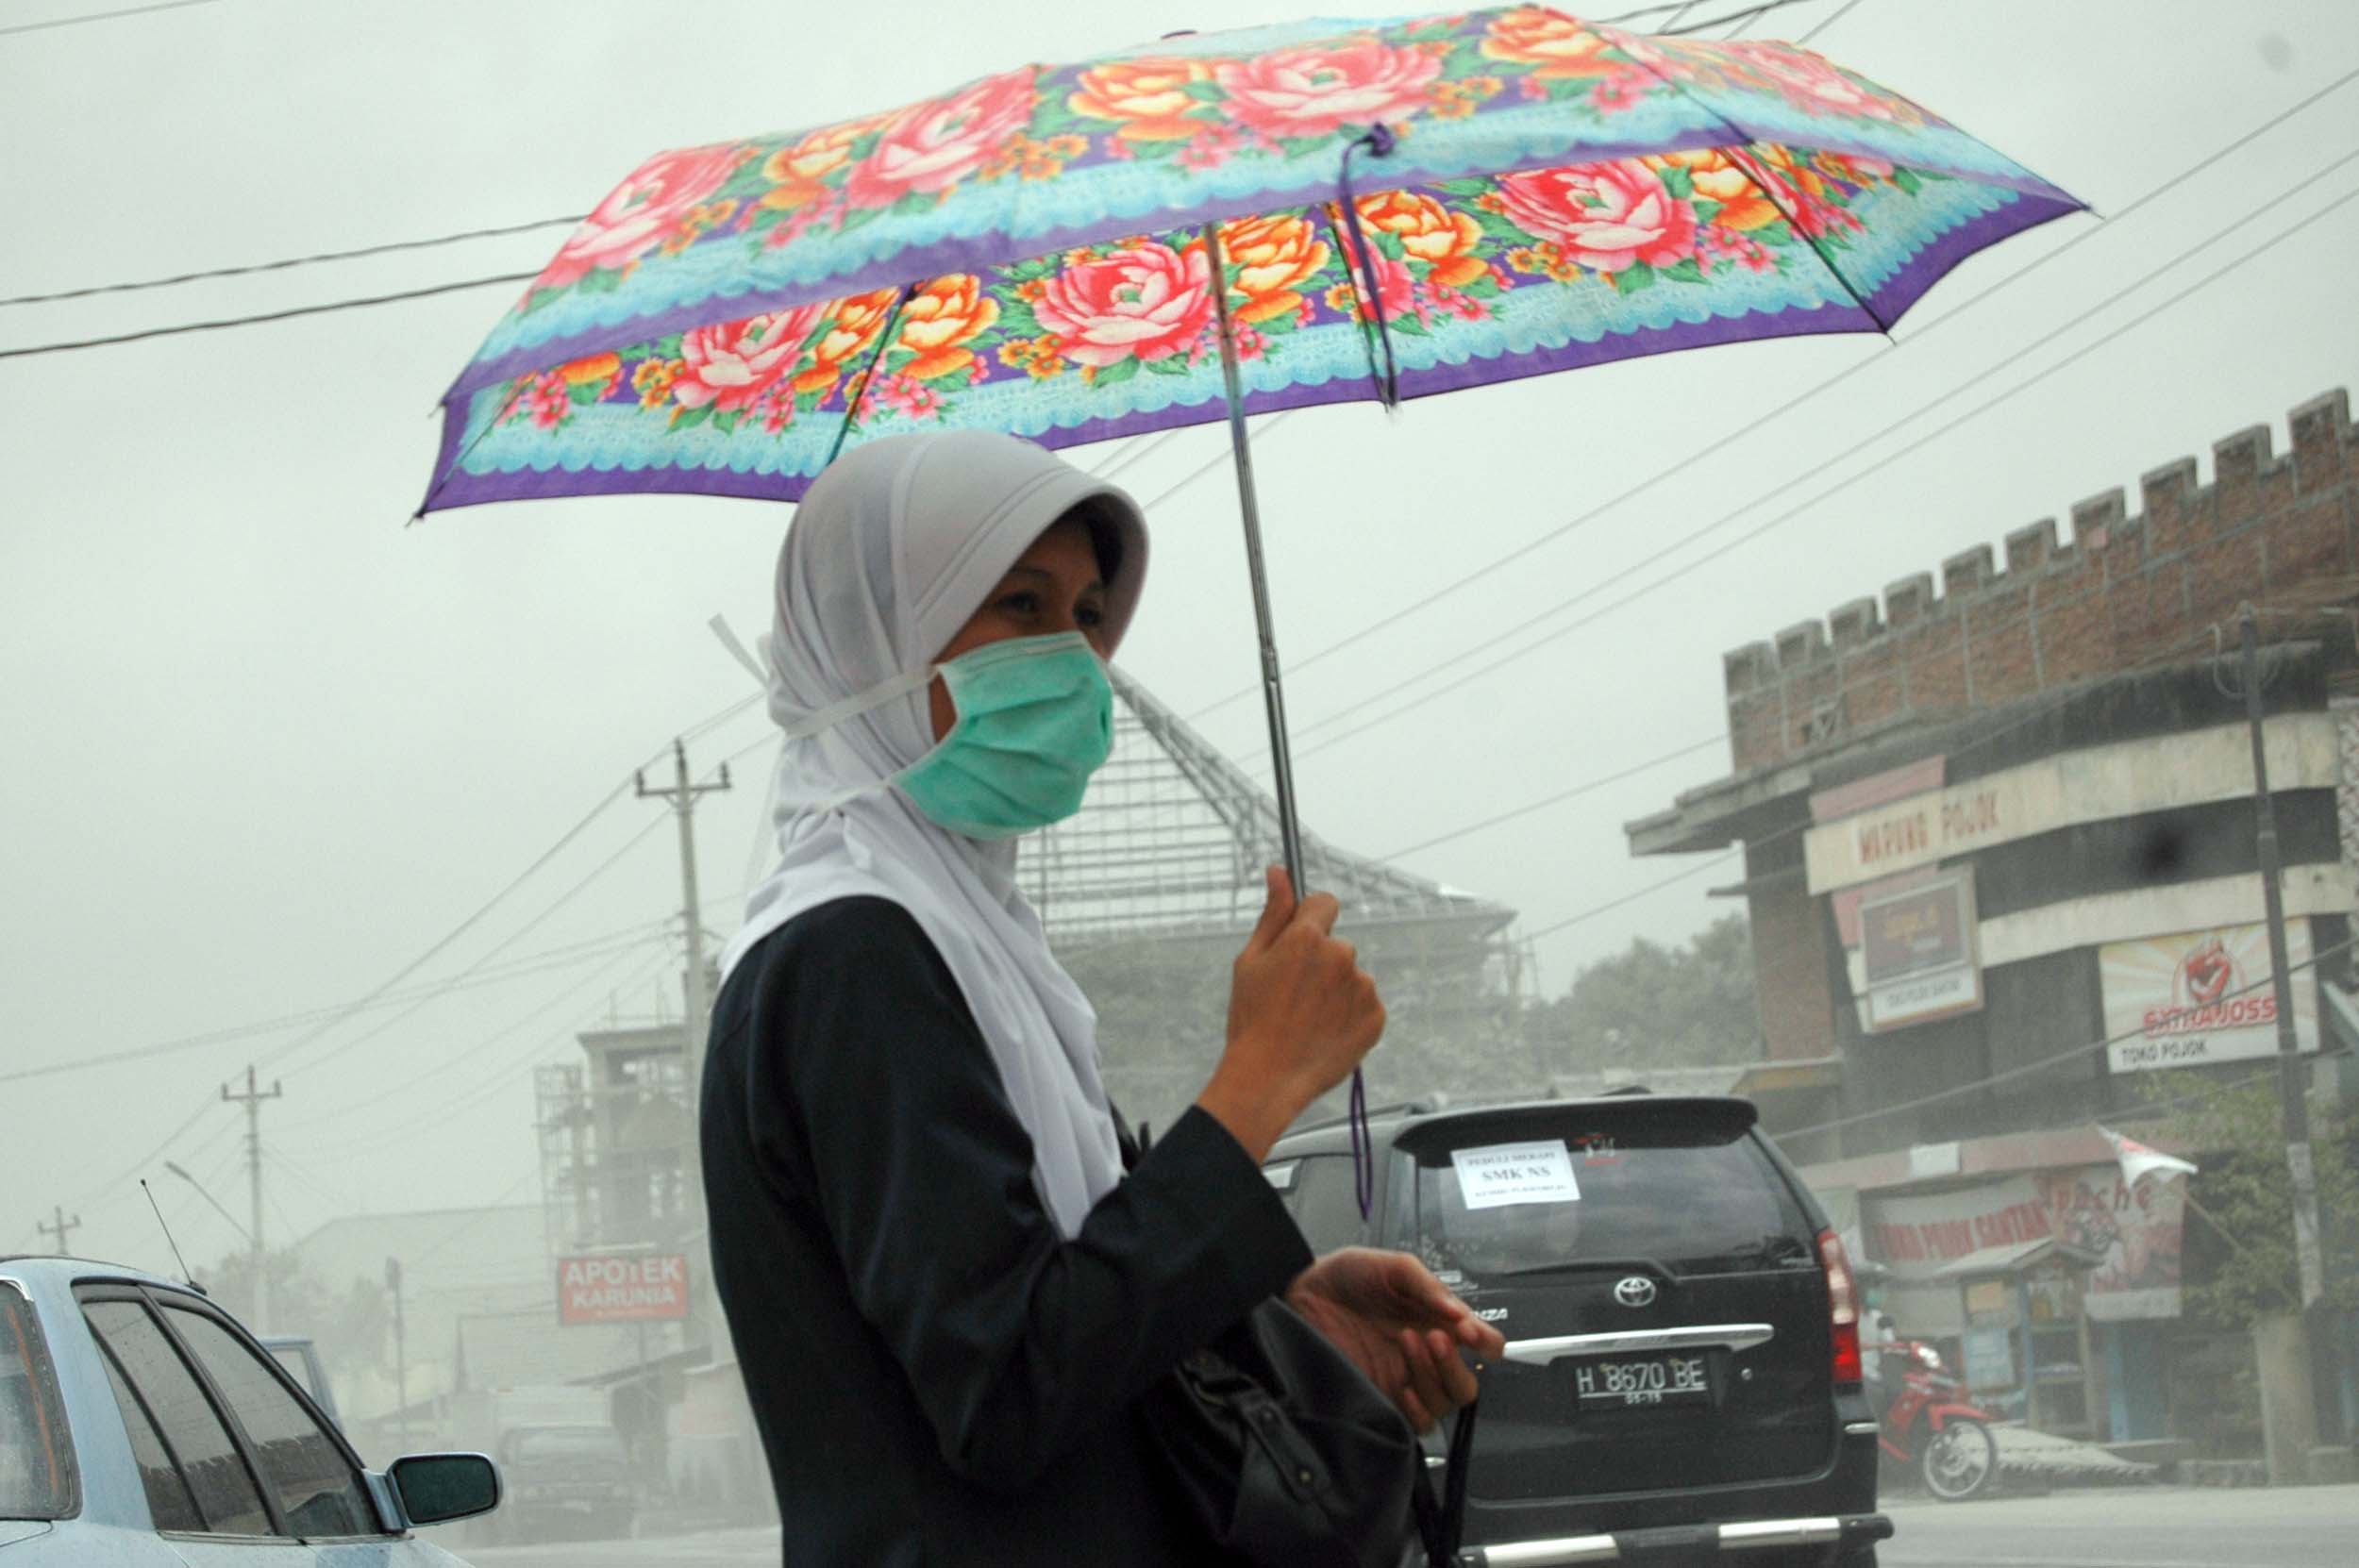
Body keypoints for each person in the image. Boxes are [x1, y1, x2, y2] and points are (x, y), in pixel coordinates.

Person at [700, 430, 1505, 1566]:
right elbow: (1007, 1389)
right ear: (875, 633)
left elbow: (1059, 1304)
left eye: (1087, 616)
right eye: (1019, 606)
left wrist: (1294, 1321)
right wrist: (1255, 1086)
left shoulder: (969, 940)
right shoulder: (853, 953)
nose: (1071, 661)